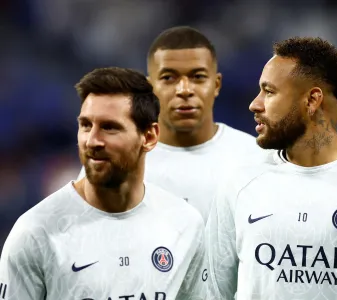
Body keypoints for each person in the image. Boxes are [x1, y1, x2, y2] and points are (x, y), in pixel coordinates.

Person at [205, 37, 337, 299]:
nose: (255, 104)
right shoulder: (240, 182)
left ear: (312, 100)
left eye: (269, 91)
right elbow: (212, 293)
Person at [0, 67, 205, 300]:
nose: (92, 141)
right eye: (86, 125)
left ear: (148, 137)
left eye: (109, 127)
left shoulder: (184, 224)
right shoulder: (36, 233)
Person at [78, 26, 267, 222]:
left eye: (198, 77)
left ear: (216, 84)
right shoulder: (114, 159)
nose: (184, 90)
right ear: (151, 88)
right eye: (169, 78)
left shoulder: (254, 159)